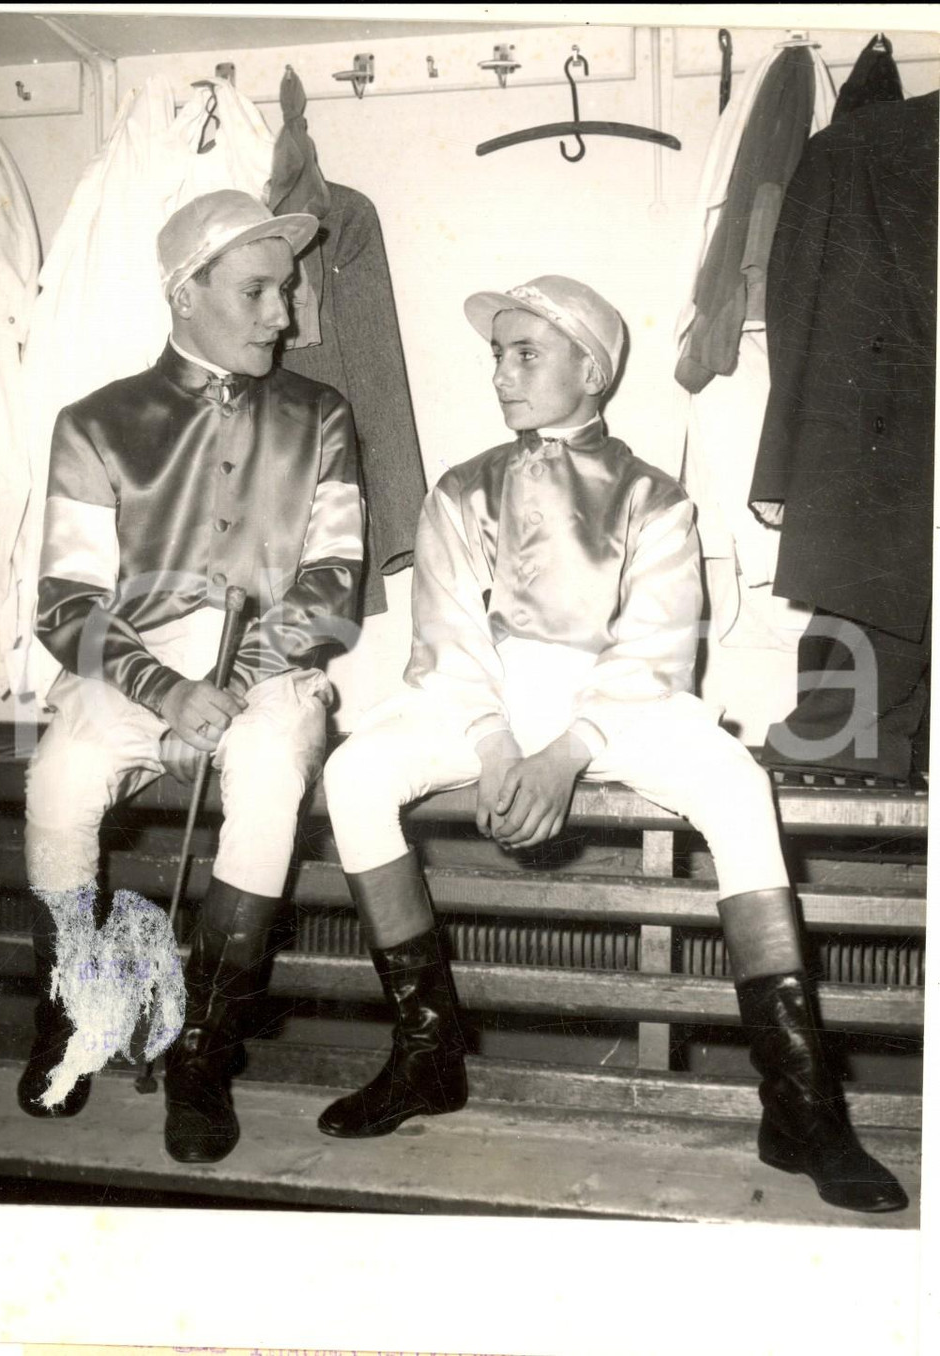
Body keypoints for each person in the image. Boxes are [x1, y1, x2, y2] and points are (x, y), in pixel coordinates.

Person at [318, 275, 907, 1214]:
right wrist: (497, 742)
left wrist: (568, 750)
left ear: (590, 371)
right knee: (353, 772)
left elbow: (656, 649)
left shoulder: (654, 497)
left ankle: (802, 1106)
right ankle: (426, 1055)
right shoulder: (462, 488)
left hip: (619, 703)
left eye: (526, 354)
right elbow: (448, 636)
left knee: (737, 787)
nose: (502, 376)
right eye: (497, 357)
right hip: (485, 698)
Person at [21, 190, 364, 1165]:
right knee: (58, 779)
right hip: (130, 669)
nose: (283, 315)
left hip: (273, 664)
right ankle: (73, 1018)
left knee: (267, 779)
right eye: (257, 291)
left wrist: (241, 677)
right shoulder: (92, 422)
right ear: (185, 294)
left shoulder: (320, 414)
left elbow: (335, 582)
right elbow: (65, 601)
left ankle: (203, 1050)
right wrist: (165, 693)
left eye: (286, 291)